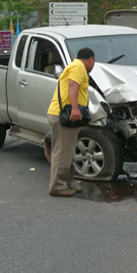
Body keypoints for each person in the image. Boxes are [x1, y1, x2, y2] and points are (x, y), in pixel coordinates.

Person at [46, 47, 95, 197]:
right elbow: (73, 85)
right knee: (62, 152)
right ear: (90, 60)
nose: (93, 65)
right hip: (64, 115)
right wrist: (75, 108)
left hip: (61, 114)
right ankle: (57, 186)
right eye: (93, 62)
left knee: (67, 150)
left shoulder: (74, 66)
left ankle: (67, 183)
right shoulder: (78, 67)